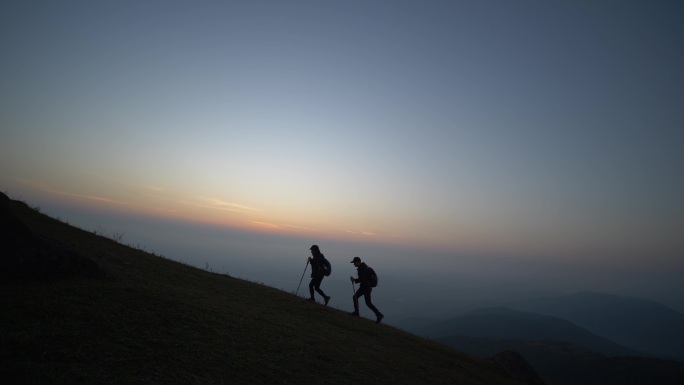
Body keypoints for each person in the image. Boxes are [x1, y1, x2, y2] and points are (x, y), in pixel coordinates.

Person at [349, 256, 384, 324]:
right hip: (367, 287)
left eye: (354, 262)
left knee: (358, 298)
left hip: (365, 287)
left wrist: (354, 280)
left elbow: (363, 279)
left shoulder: (362, 269)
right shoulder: (364, 267)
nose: (354, 264)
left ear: (358, 262)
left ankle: (378, 315)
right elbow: (364, 279)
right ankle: (378, 315)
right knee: (367, 302)